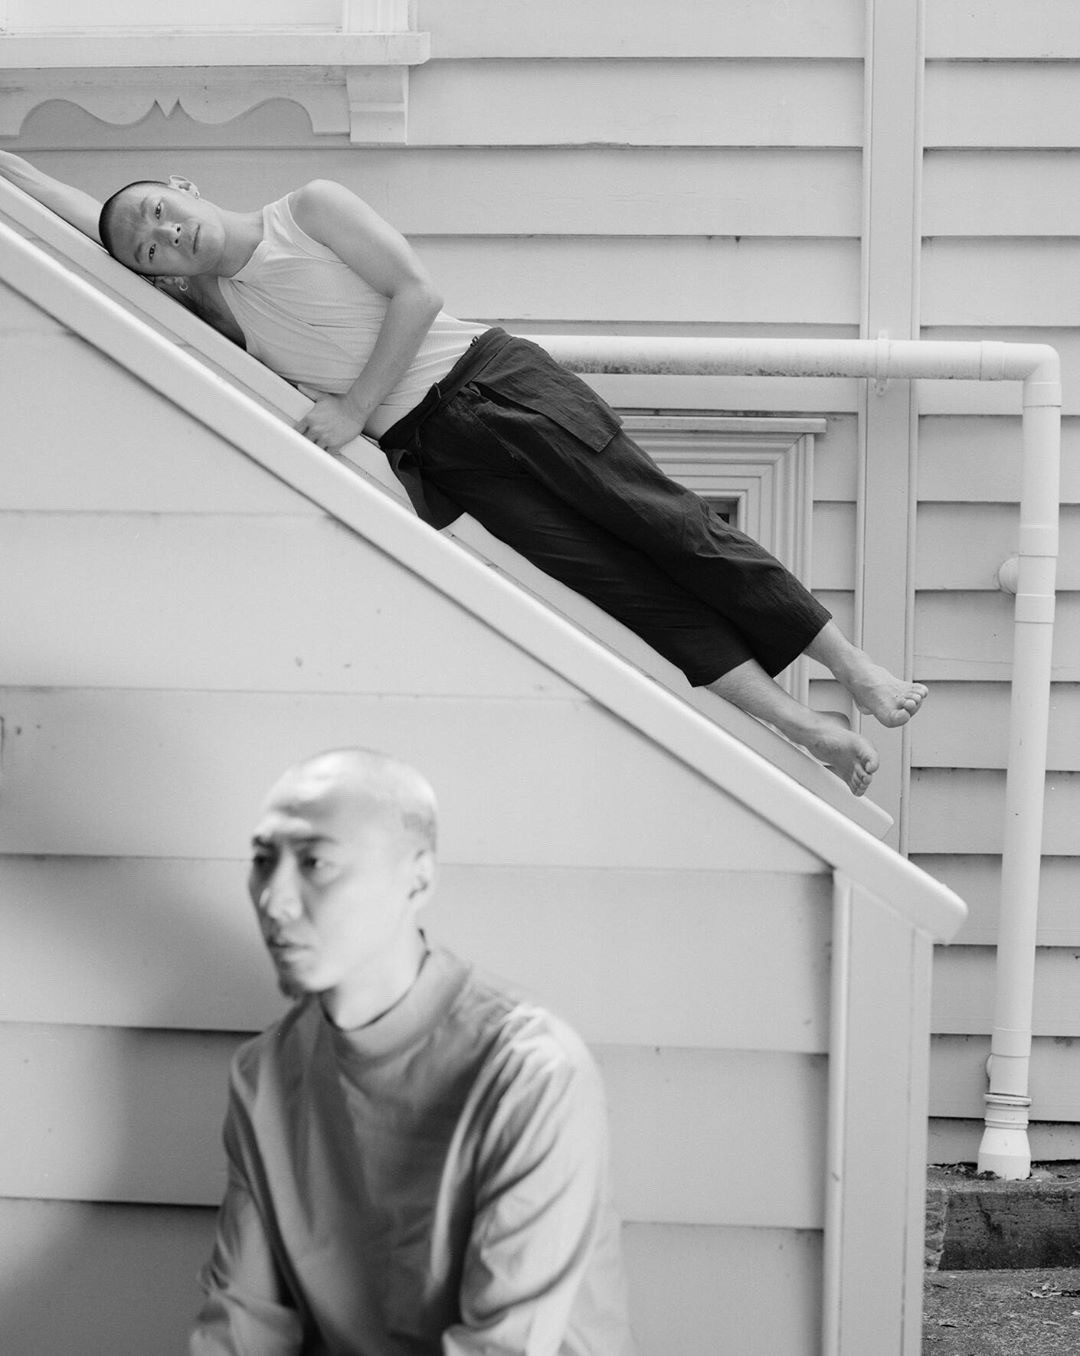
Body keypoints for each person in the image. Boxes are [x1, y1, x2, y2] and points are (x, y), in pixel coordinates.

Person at [0, 152, 927, 796]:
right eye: (148, 248)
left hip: (491, 385)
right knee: (625, 591)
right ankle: (801, 726)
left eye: (162, 211)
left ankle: (853, 669)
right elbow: (83, 212)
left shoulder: (307, 209)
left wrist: (355, 408)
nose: (164, 233)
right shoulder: (223, 312)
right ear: (153, 276)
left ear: (185, 186)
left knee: (672, 528)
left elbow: (418, 294)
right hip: (439, 454)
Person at [189, 747, 636, 1354]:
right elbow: (242, 1325)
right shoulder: (264, 1075)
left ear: (419, 877)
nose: (274, 899)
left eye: (316, 861)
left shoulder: (532, 1073)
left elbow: (501, 1348)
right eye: (263, 860)